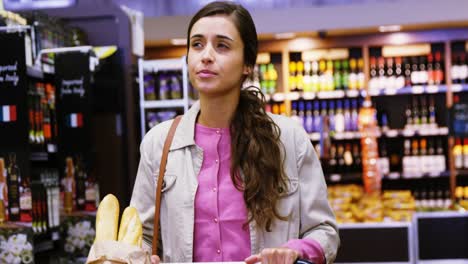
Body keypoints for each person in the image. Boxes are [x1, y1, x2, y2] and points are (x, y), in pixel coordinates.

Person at [130, 1, 339, 263]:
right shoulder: (159, 144)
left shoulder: (288, 139)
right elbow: (142, 235)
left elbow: (324, 231)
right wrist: (142, 257)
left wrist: (297, 250)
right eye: (197, 44)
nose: (206, 55)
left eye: (222, 45)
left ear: (247, 64)